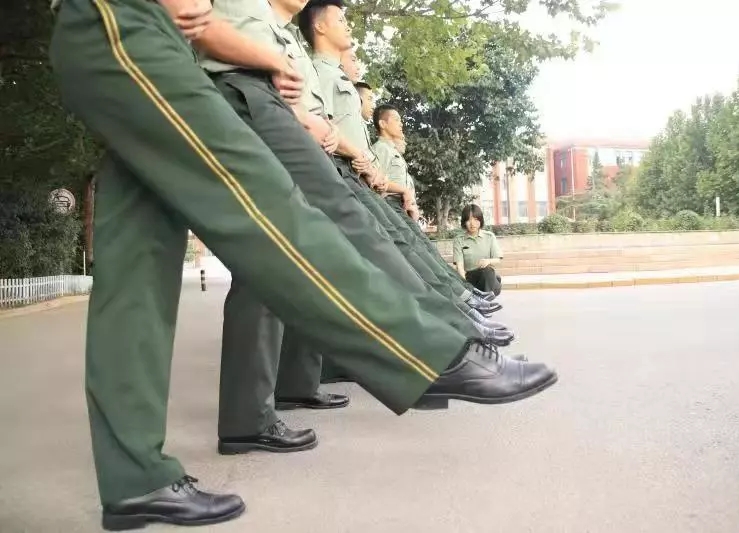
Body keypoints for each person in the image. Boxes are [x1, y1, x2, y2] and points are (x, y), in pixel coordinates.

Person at [49, 0, 556, 528]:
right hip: (124, 21)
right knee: (269, 209)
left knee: (137, 272)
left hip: (133, 33)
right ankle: (427, 352)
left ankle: (135, 479)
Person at [300, 2, 502, 318]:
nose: (348, 26)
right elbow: (322, 128)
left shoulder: (332, 76)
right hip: (340, 176)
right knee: (389, 249)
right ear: (320, 26)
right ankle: (449, 313)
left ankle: (456, 306)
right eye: (340, 19)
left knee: (401, 244)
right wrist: (364, 162)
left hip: (357, 177)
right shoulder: (318, 72)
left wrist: (369, 167)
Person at [454, 204, 504, 296]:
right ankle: (485, 298)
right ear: (464, 222)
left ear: (480, 220)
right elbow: (460, 267)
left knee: (488, 271)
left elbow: (498, 260)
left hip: (489, 280)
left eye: (476, 219)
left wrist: (488, 261)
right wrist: (465, 286)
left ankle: (486, 297)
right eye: (469, 220)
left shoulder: (489, 236)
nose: (472, 223)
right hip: (471, 281)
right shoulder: (459, 240)